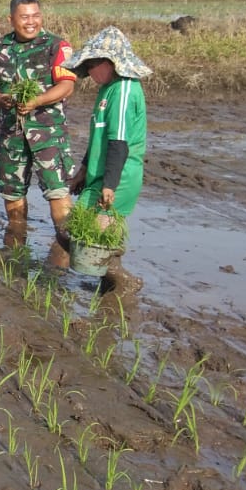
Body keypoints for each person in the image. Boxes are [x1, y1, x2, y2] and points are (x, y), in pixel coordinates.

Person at [0, 0, 77, 259]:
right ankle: (16, 252)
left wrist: (37, 100)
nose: (31, 22)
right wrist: (0, 97)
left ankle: (66, 254)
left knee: (57, 192)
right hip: (12, 135)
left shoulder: (57, 46)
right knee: (12, 194)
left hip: (49, 134)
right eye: (24, 17)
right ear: (11, 19)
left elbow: (66, 85)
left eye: (35, 16)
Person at [64, 26, 151, 293]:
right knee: (82, 230)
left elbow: (119, 143)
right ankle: (111, 282)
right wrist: (82, 171)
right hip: (99, 174)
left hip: (119, 176)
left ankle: (122, 284)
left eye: (92, 65)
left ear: (110, 62)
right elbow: (99, 138)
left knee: (97, 233)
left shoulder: (124, 91)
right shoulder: (106, 90)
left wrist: (110, 185)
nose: (89, 72)